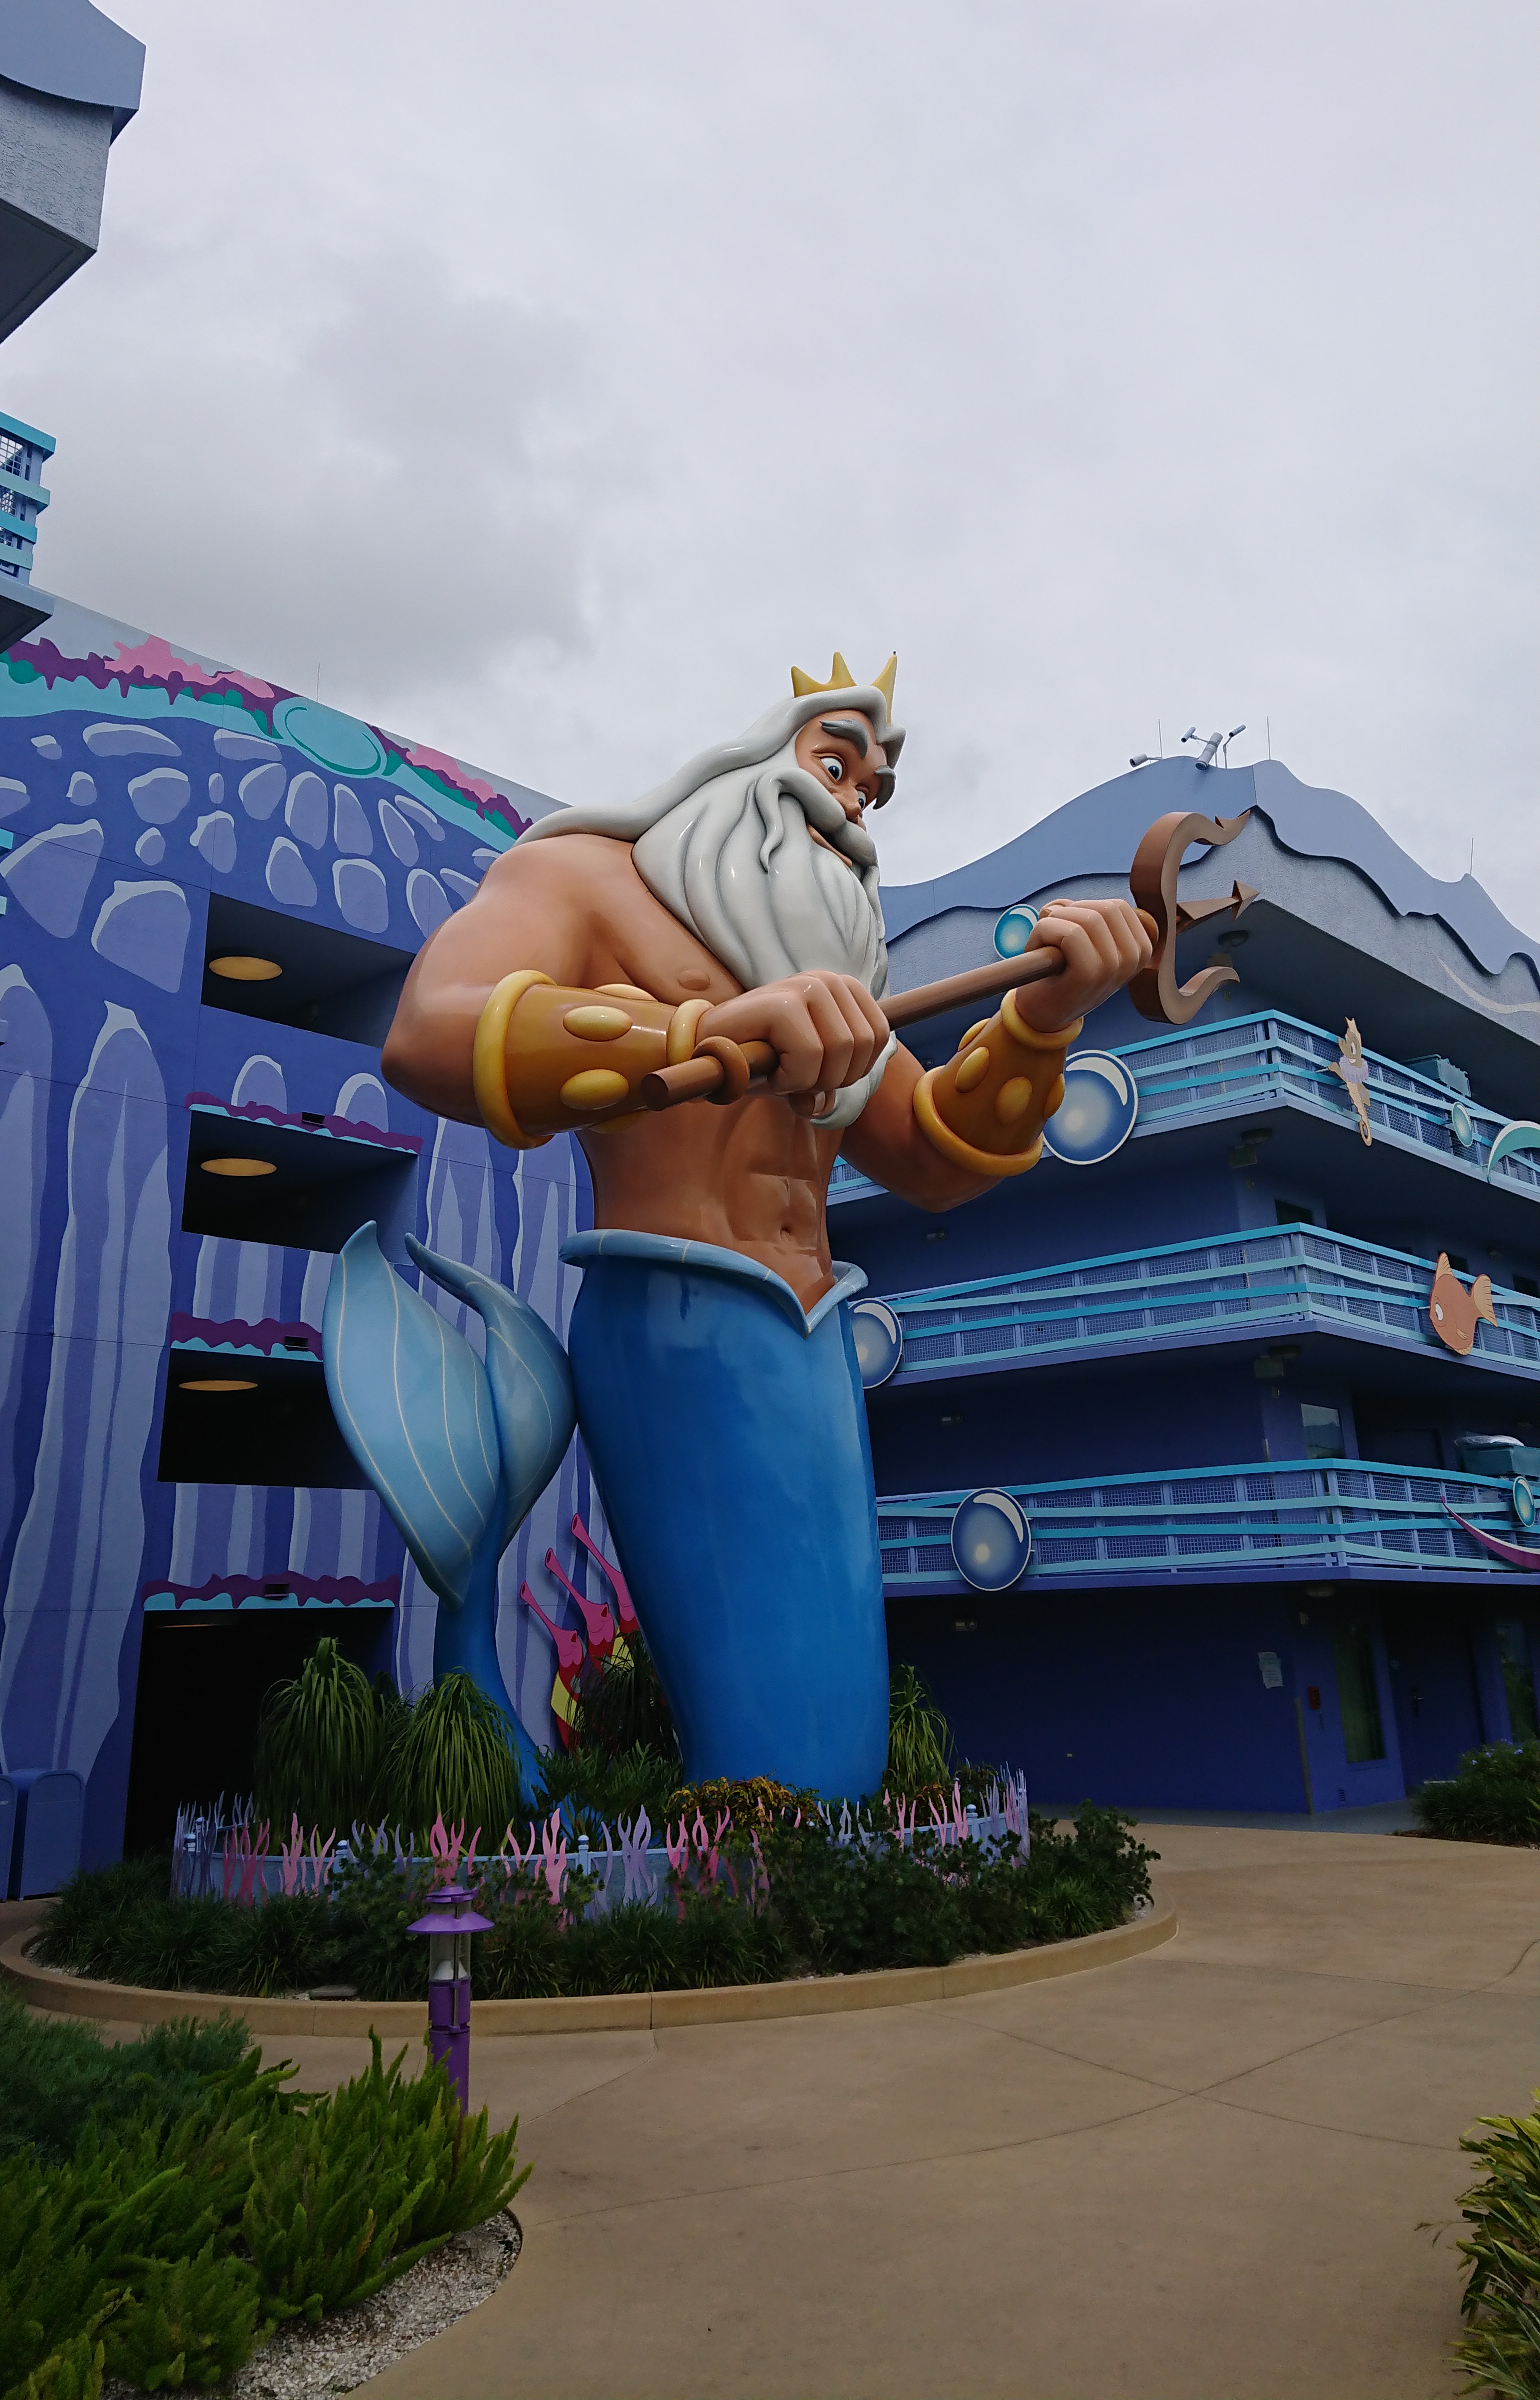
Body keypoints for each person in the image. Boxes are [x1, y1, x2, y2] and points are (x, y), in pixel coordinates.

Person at [384, 657, 1149, 1793]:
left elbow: (934, 1154)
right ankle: (728, 1873)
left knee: (837, 1722)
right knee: (783, 1749)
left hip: (817, 1329)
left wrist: (1041, 1020)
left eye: (872, 792)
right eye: (834, 766)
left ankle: (772, 1874)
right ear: (748, 763)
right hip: (682, 1308)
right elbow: (430, 1032)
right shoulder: (583, 875)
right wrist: (696, 1032)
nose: (853, 808)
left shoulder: (824, 973)